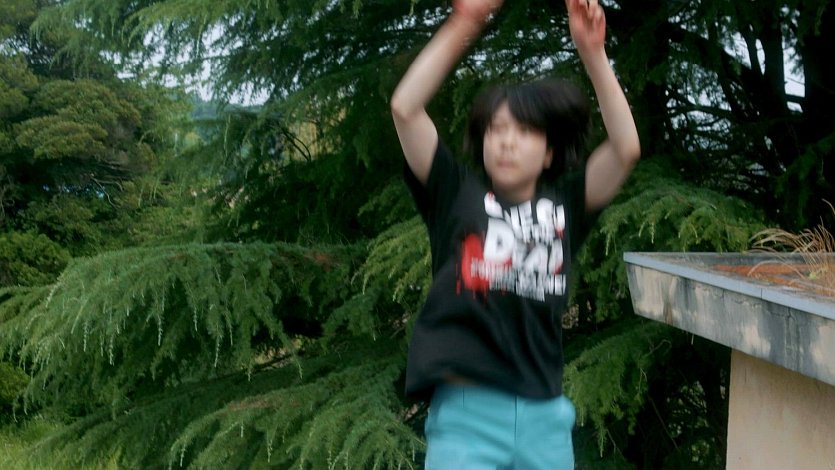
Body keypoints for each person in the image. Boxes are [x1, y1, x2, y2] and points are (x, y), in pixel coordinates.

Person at [390, 0, 640, 467]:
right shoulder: (454, 193)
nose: (506, 140)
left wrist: (593, 54)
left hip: (545, 419)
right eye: (496, 129)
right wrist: (465, 22)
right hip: (465, 418)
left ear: (548, 153)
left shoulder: (567, 207)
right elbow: (405, 109)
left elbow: (625, 149)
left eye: (524, 130)